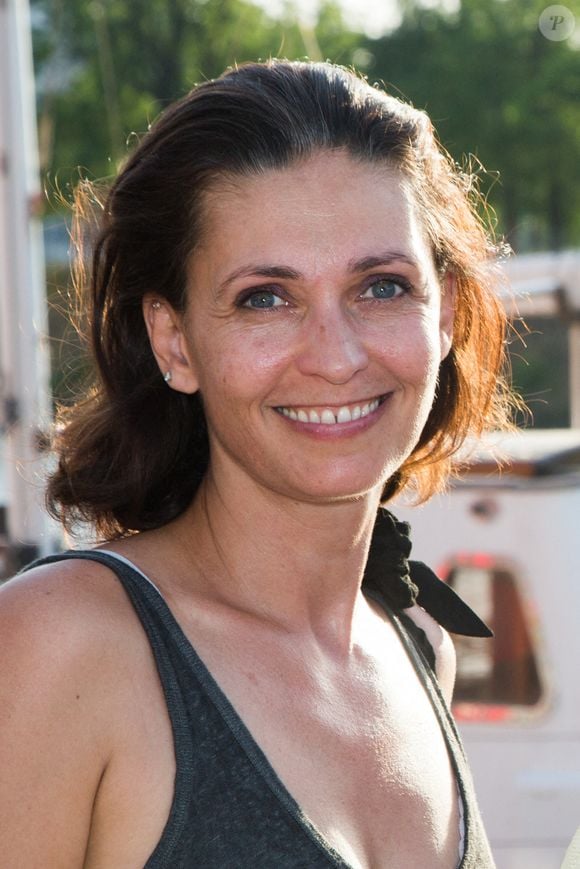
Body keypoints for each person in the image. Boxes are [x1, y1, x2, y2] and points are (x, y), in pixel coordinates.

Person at [0, 60, 511, 868]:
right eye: (266, 298)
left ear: (443, 311)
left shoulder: (419, 644)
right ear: (174, 341)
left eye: (380, 286)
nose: (337, 358)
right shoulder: (63, 645)